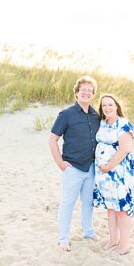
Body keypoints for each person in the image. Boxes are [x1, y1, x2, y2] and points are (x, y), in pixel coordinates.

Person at [49, 76, 101, 252]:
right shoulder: (66, 115)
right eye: (83, 90)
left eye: (90, 90)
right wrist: (60, 163)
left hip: (91, 167)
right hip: (72, 168)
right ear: (77, 92)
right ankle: (63, 239)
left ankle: (88, 231)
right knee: (67, 203)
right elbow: (52, 139)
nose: (86, 92)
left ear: (93, 94)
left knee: (88, 202)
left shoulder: (96, 116)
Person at [92, 94, 134, 255]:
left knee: (121, 209)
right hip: (103, 174)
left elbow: (124, 150)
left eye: (110, 105)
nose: (107, 108)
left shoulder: (123, 124)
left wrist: (108, 166)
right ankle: (113, 240)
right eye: (104, 106)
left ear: (117, 106)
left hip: (118, 173)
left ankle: (124, 245)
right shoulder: (103, 123)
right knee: (110, 207)